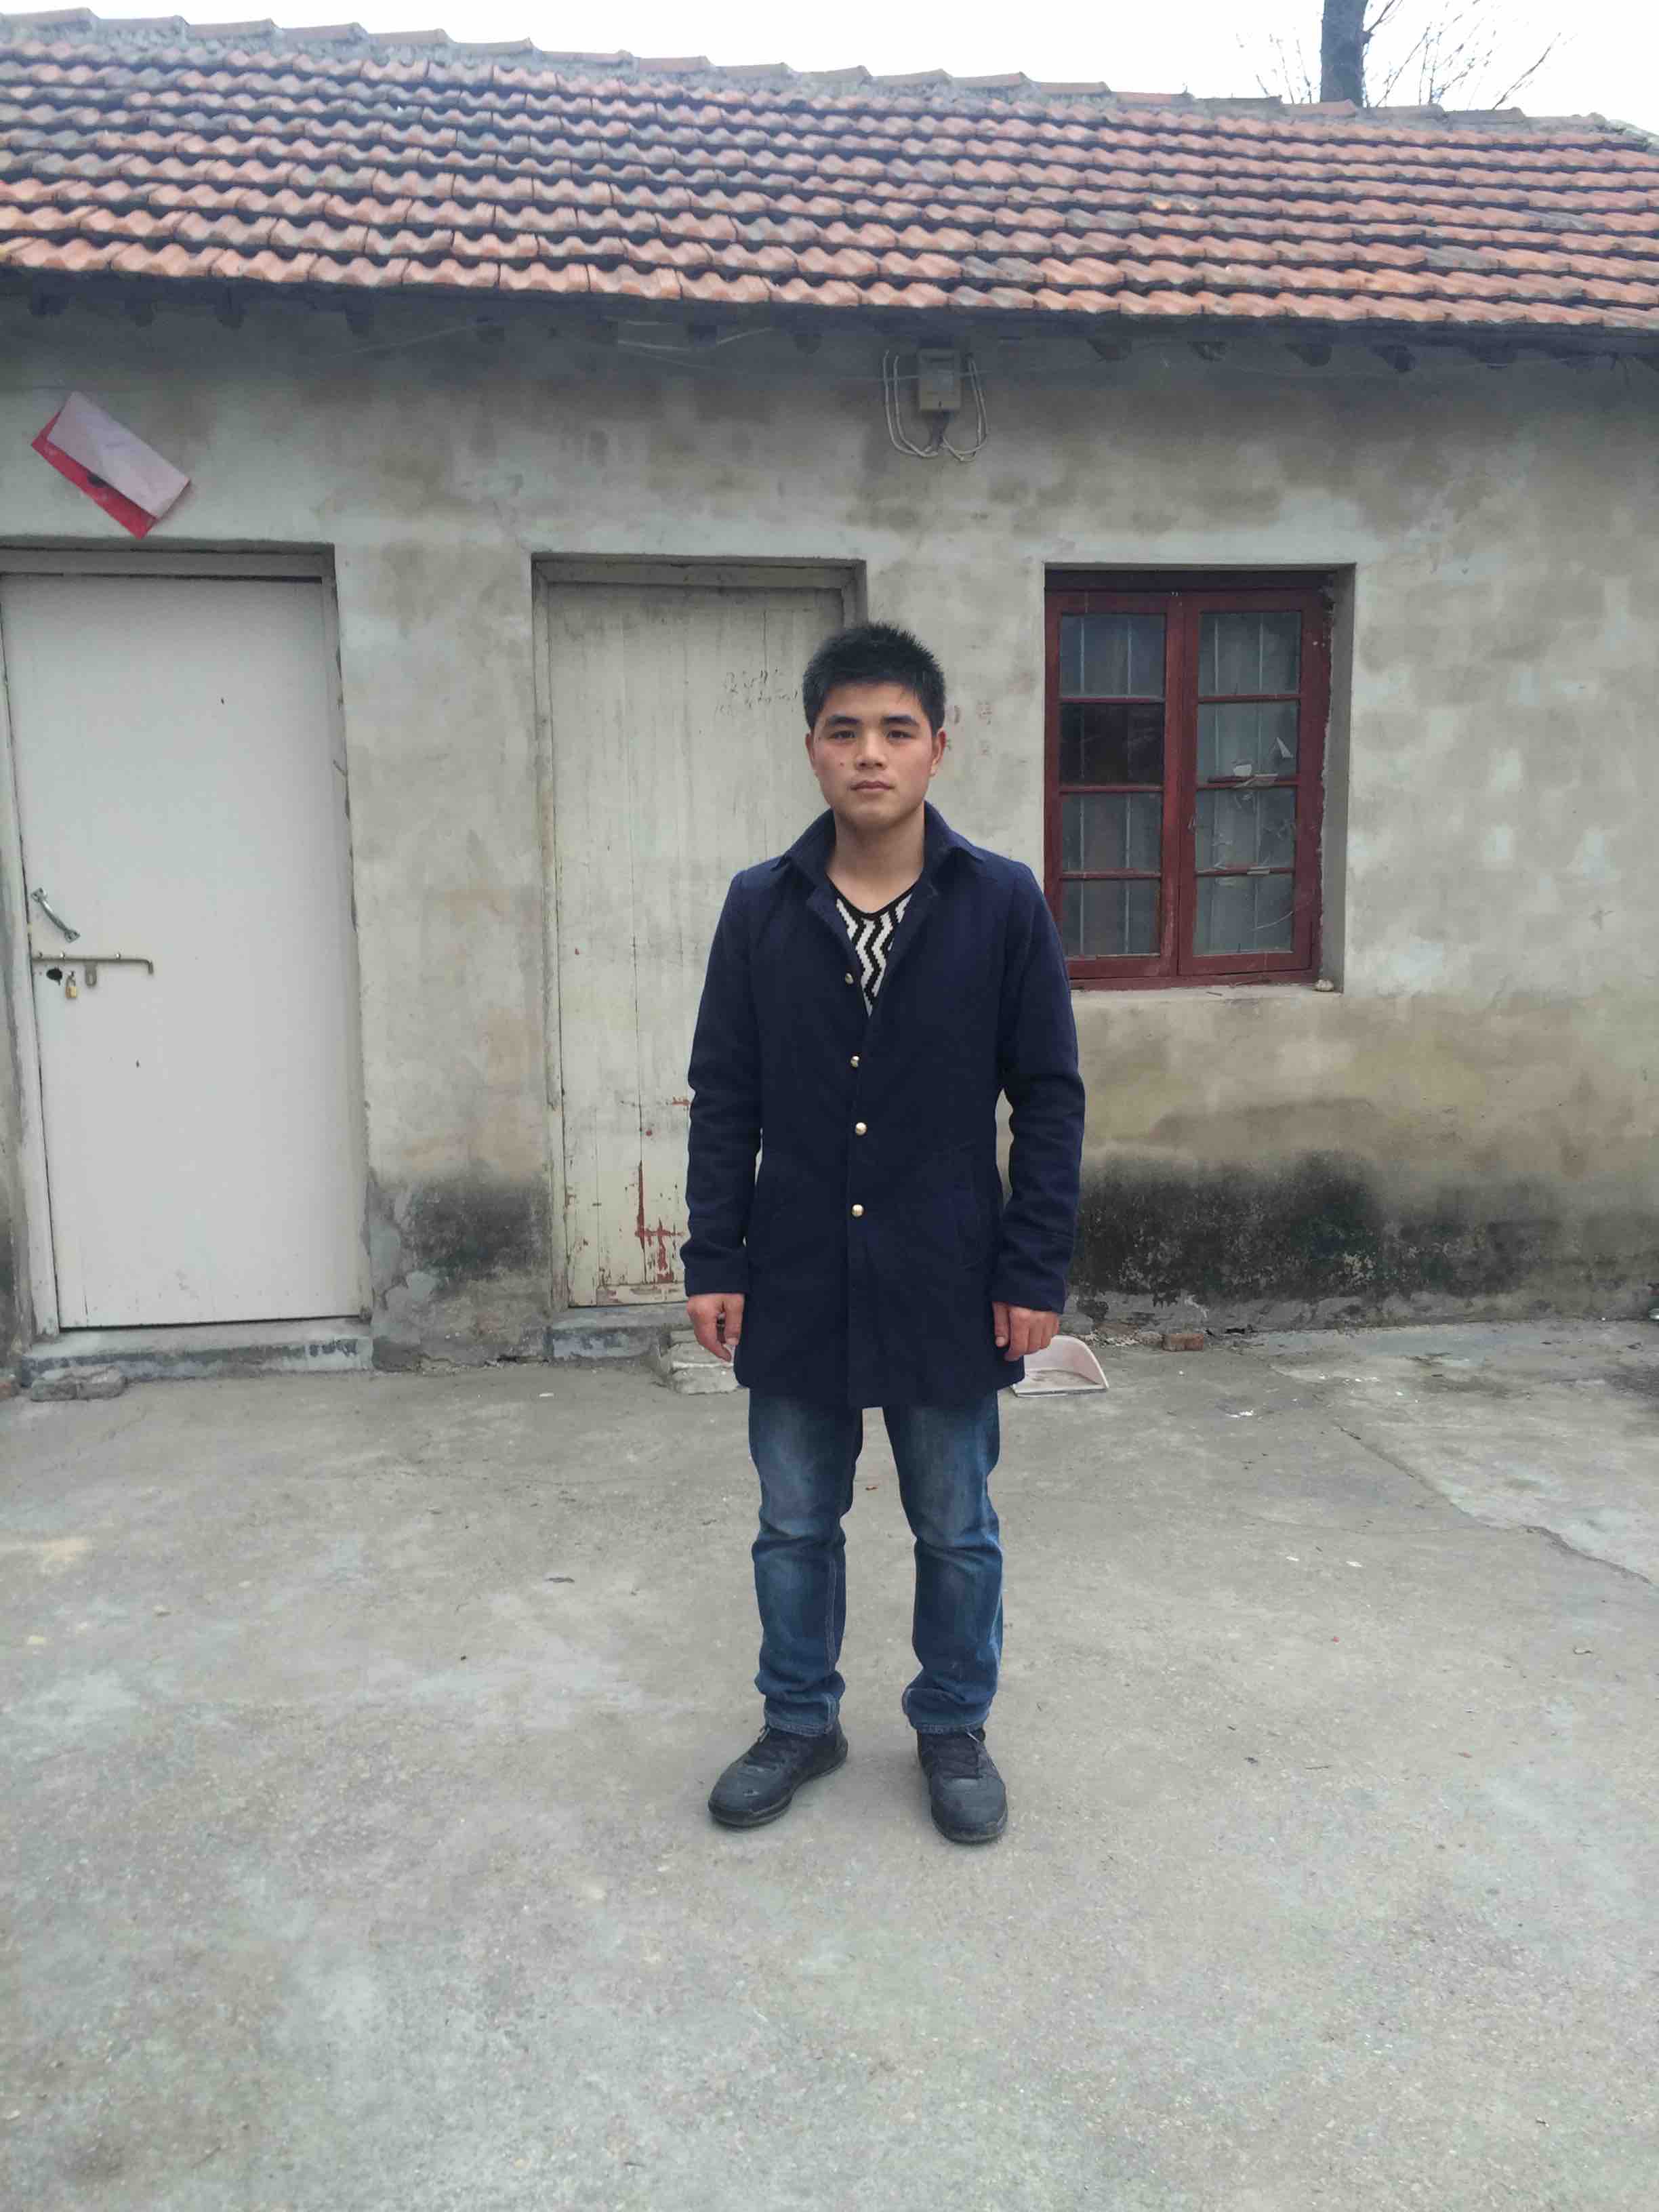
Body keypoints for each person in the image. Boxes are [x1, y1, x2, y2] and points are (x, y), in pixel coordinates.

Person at [681, 622, 1084, 1844]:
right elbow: (726, 1096)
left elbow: (1049, 1097)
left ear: (937, 749)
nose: (871, 754)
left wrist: (1032, 1269)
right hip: (797, 1269)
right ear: (812, 747)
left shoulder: (999, 903)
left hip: (947, 1273)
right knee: (794, 1523)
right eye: (845, 730)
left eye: (897, 731)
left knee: (955, 1527)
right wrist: (714, 1257)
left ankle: (953, 1725)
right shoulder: (761, 908)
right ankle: (799, 1720)